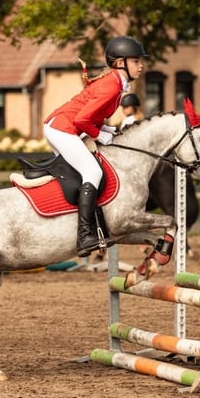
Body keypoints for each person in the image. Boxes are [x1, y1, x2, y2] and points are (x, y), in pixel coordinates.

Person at [44, 36, 148, 257]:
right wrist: (100, 135)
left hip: (64, 127)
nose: (142, 66)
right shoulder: (112, 86)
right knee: (92, 171)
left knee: (87, 172)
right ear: (121, 63)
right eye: (136, 61)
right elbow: (82, 120)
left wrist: (108, 131)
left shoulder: (117, 85)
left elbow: (94, 117)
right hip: (62, 128)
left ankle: (93, 229)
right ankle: (84, 236)